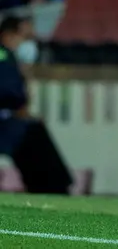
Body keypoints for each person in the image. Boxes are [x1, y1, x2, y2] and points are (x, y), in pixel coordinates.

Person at [0, 16, 74, 195]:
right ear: (9, 34)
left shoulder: (10, 57)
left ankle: (50, 188)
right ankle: (54, 190)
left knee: (33, 131)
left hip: (9, 119)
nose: (26, 43)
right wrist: (19, 106)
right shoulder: (3, 55)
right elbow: (9, 92)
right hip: (5, 122)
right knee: (33, 135)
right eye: (25, 37)